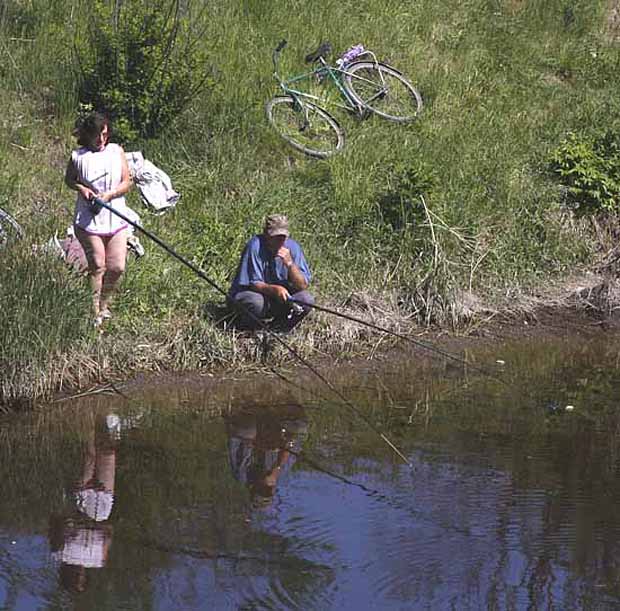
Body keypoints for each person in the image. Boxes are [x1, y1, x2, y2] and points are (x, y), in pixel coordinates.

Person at [64, 112, 133, 326]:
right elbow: (69, 180)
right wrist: (82, 188)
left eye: (104, 134)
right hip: (89, 221)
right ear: (87, 135)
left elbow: (127, 182)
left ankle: (104, 305)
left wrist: (110, 195)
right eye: (96, 135)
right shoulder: (79, 156)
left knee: (117, 267)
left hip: (115, 217)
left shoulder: (116, 151)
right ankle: (93, 312)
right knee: (98, 264)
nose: (101, 139)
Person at [228, 214, 314, 330]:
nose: (280, 241)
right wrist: (275, 290)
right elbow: (253, 283)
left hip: (278, 300)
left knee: (306, 300)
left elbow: (302, 285)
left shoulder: (293, 248)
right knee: (256, 302)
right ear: (266, 235)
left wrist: (290, 264)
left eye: (283, 237)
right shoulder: (254, 246)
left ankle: (279, 329)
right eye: (276, 237)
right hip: (252, 296)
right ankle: (249, 329)